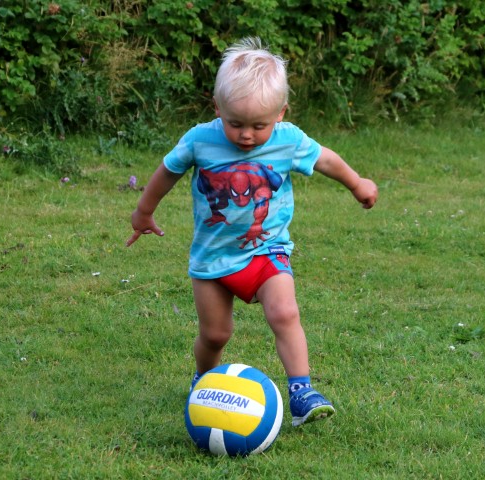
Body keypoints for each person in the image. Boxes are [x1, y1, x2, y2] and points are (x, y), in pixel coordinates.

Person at [126, 37, 377, 426]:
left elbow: (326, 160)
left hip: (267, 249)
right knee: (215, 335)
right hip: (213, 258)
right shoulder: (200, 139)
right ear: (217, 109)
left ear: (280, 113)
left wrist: (357, 183)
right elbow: (168, 171)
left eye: (259, 125)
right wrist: (144, 211)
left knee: (285, 312)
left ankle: (301, 391)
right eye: (235, 124)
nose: (247, 135)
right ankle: (204, 382)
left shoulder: (288, 140)